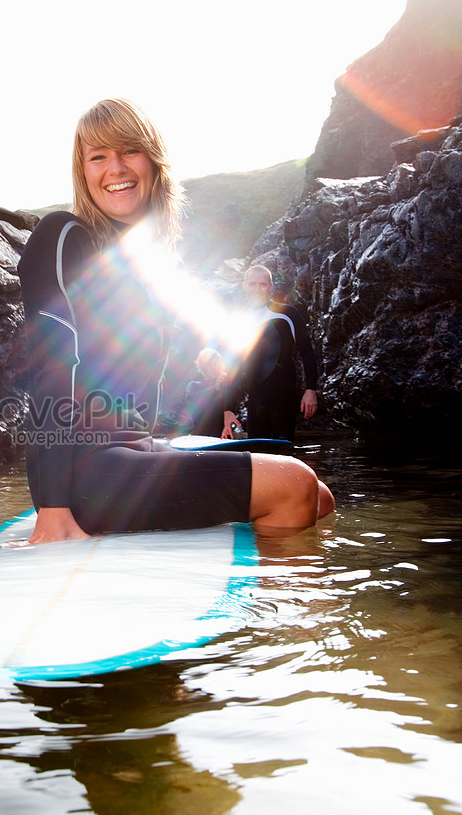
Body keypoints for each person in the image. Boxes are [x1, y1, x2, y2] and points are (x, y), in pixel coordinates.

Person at [17, 98, 334, 544]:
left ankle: (262, 589)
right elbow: (49, 368)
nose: (116, 168)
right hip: (86, 469)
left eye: (129, 150)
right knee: (294, 484)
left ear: (152, 158)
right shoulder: (64, 235)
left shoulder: (150, 266)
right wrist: (53, 509)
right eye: (98, 156)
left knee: (319, 497)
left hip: (136, 448)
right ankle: (266, 613)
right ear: (82, 171)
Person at [225, 265, 319, 443]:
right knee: (257, 455)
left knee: (283, 453)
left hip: (283, 397)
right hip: (255, 399)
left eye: (262, 284)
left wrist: (310, 389)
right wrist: (228, 409)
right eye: (252, 284)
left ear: (270, 287)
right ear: (245, 286)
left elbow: (307, 352)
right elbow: (233, 366)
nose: (257, 289)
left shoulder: (287, 314)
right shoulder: (238, 320)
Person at [180, 348, 231, 438]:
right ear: (202, 366)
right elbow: (194, 400)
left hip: (223, 440)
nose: (214, 367)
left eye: (216, 364)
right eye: (210, 364)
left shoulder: (224, 388)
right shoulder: (194, 385)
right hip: (201, 440)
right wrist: (215, 388)